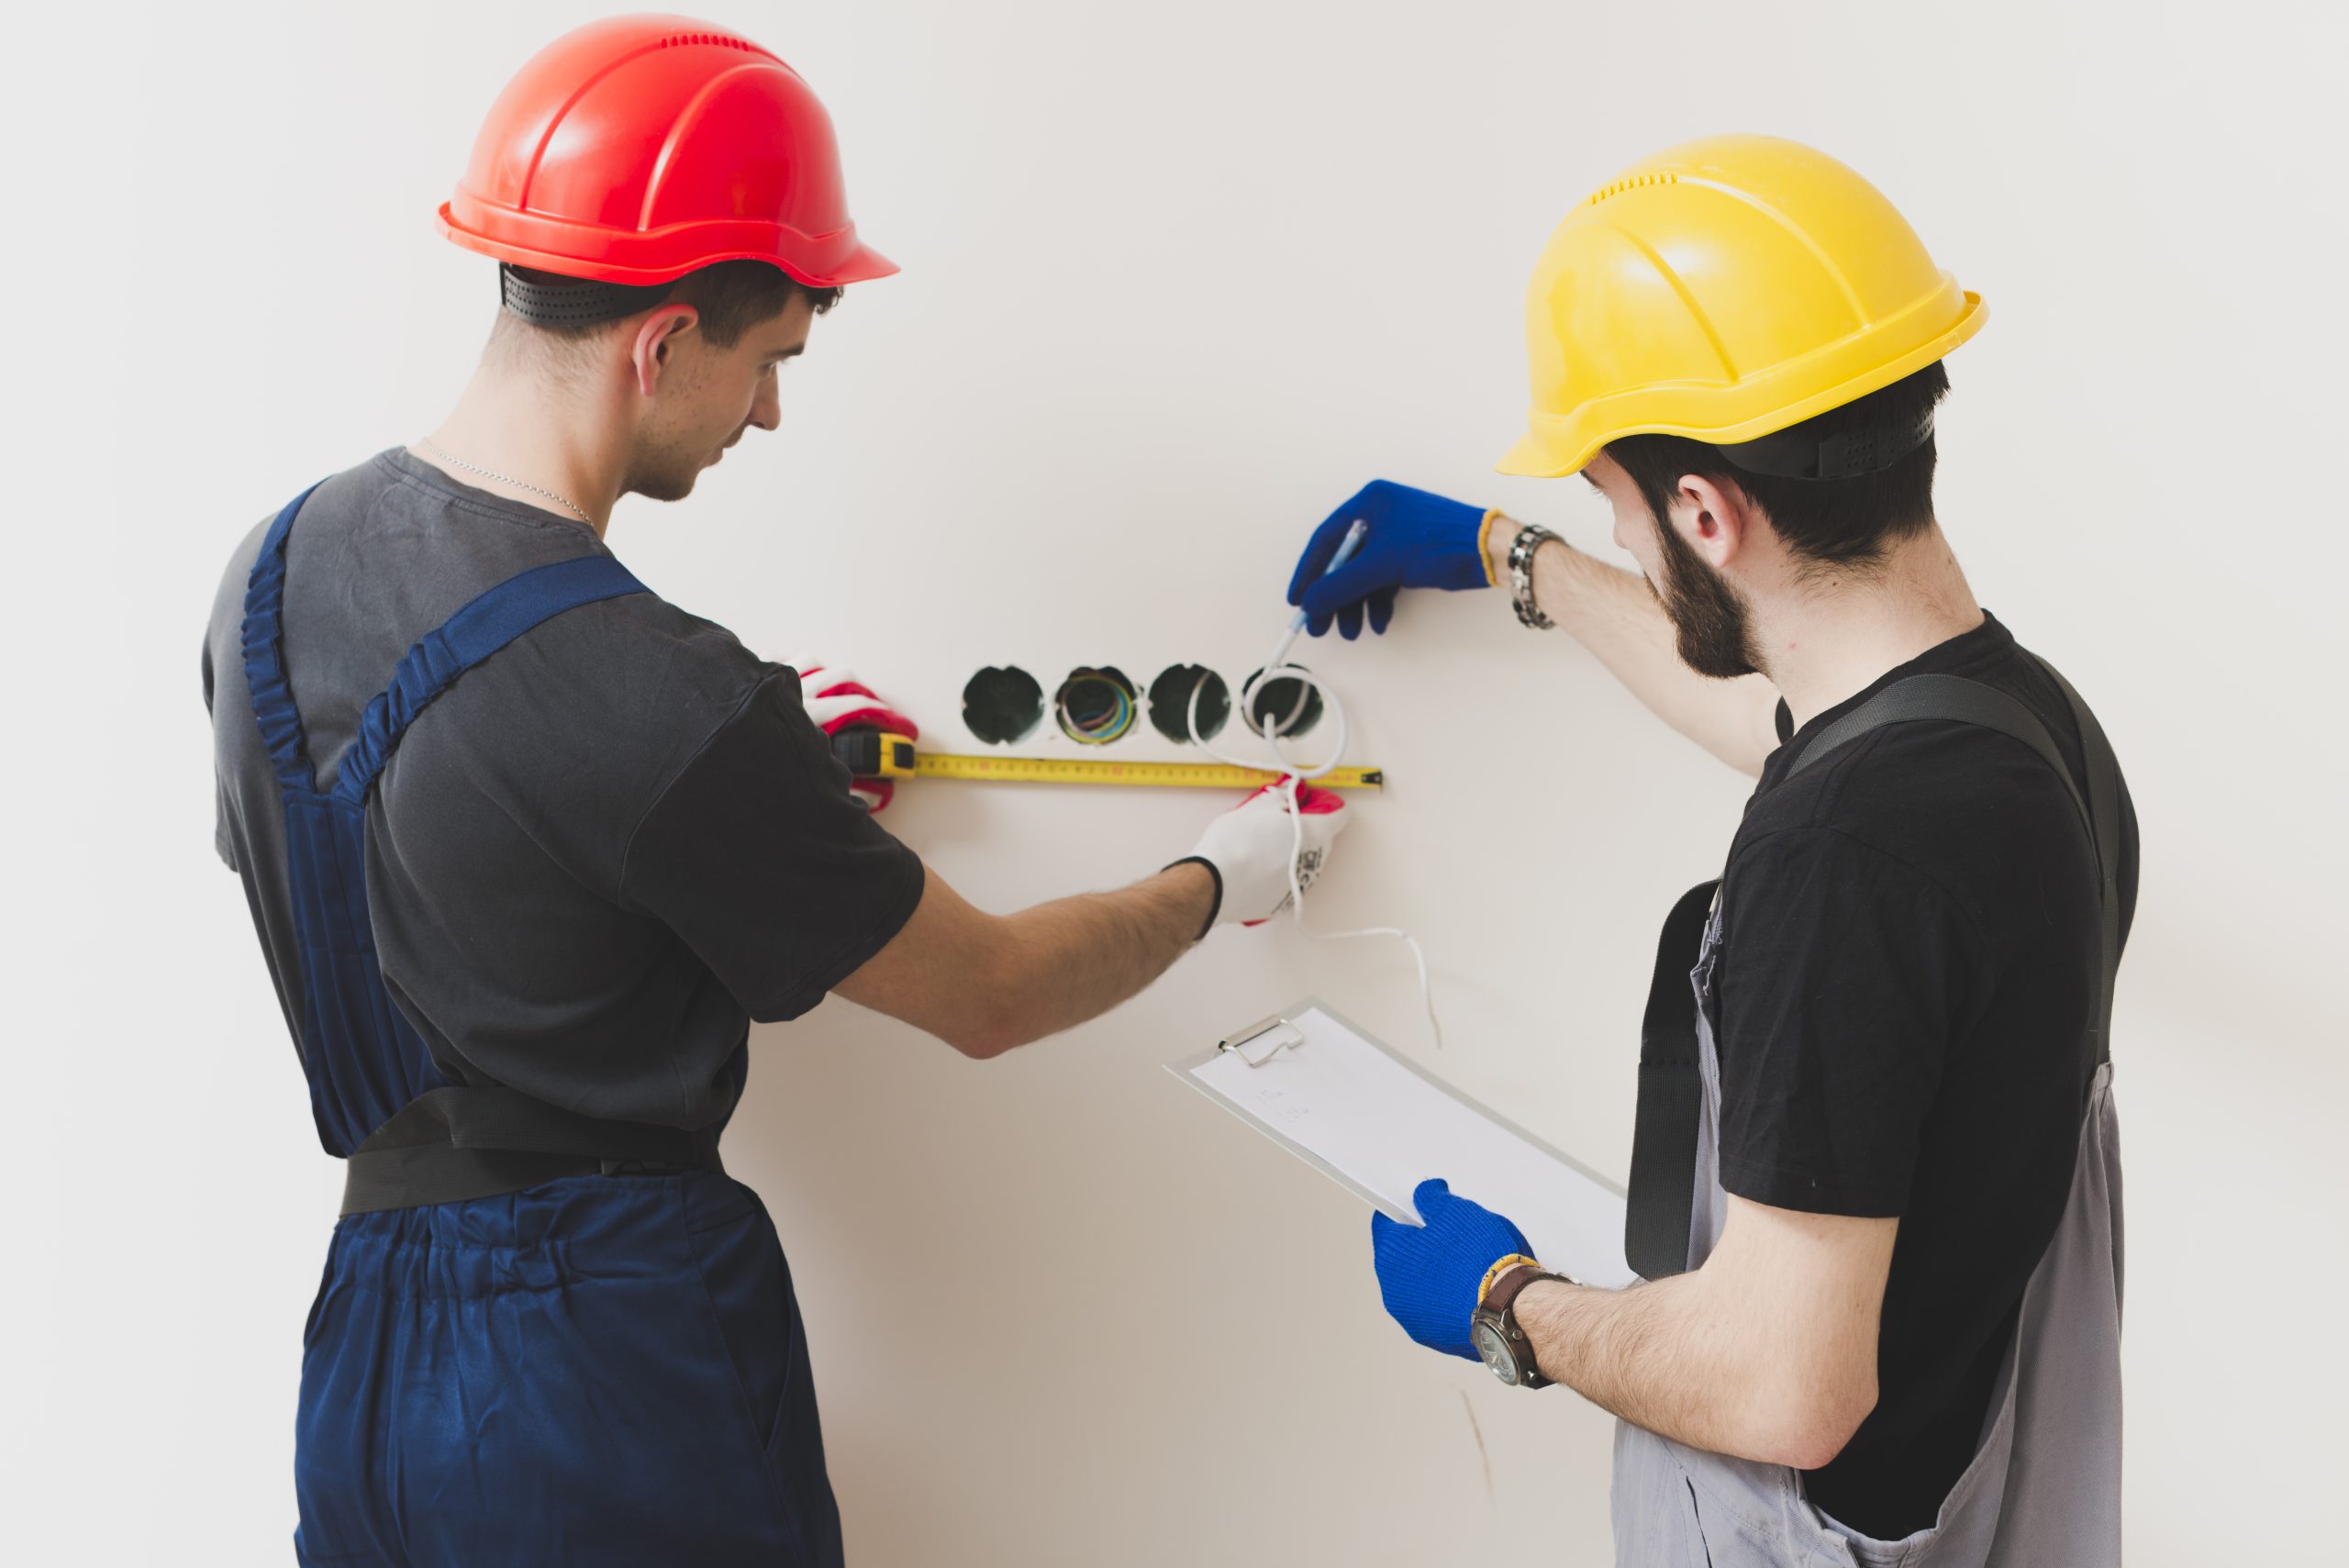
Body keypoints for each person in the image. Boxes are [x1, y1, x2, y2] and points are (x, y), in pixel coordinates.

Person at [200, 17, 1345, 1565]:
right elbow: (990, 992)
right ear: (662, 341)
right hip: (610, 1348)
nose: (771, 416)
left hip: (368, 1361)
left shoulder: (265, 573)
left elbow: (415, 859)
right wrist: (1220, 878)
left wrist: (748, 833)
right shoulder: (665, 690)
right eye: (770, 363)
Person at [1292, 136, 2133, 1564]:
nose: (1610, 520)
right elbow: (1780, 713)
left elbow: (1780, 1380)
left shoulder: (1849, 851)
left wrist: (1507, 1300)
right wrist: (1520, 560)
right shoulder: (2015, 725)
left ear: (1704, 513)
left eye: (1612, 500)